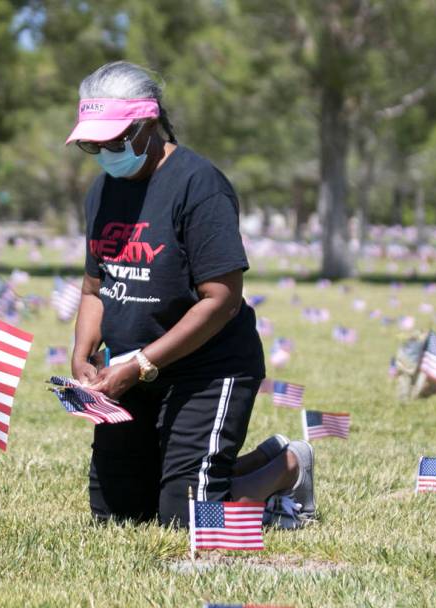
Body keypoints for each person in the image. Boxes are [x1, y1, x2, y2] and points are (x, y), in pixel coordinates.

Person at [66, 61, 315, 529]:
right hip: (132, 371)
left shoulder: (199, 185)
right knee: (118, 516)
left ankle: (288, 467)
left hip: (206, 369)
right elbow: (95, 286)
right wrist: (82, 352)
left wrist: (140, 366)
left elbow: (220, 298)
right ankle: (246, 462)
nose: (102, 151)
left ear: (149, 124)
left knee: (188, 519)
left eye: (113, 140)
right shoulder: (102, 190)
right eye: (91, 144)